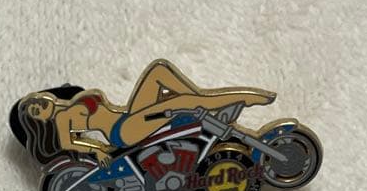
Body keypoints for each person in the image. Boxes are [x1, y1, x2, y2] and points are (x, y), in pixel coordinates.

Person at [19, 59, 275, 165]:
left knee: (158, 72)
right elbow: (67, 143)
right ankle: (241, 98)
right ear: (40, 120)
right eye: (35, 111)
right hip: (123, 132)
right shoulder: (63, 119)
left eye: (37, 102)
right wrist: (97, 150)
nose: (40, 106)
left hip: (127, 117)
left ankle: (204, 107)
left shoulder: (69, 98)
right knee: (181, 101)